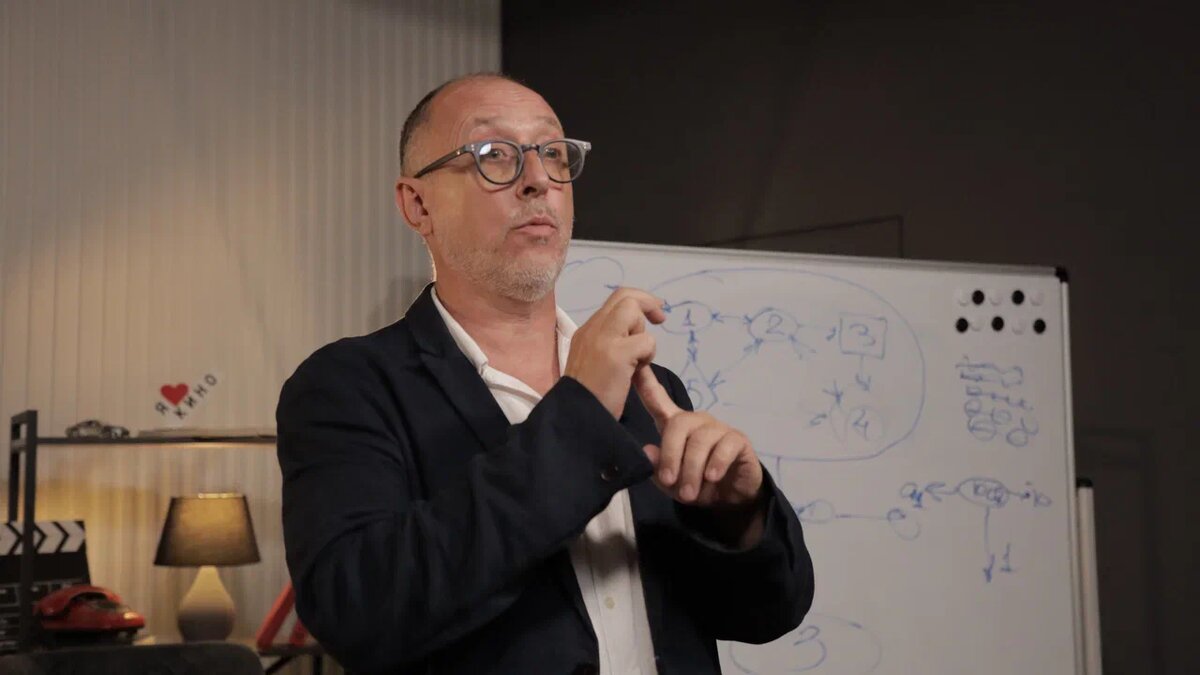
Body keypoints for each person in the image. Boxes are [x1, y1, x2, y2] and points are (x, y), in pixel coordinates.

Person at [276, 73, 814, 675]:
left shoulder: (650, 389)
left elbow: (768, 614)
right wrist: (579, 419)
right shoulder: (348, 388)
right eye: (493, 154)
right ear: (417, 205)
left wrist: (738, 516)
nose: (538, 180)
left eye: (553, 153)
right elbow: (358, 612)